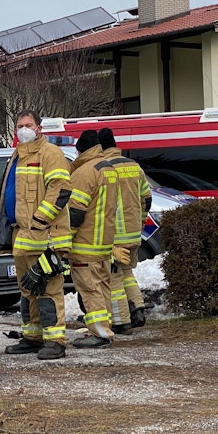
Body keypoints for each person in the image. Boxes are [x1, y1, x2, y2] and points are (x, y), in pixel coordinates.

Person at [0, 110, 73, 359]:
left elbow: (60, 190)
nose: (23, 129)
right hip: (21, 235)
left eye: (28, 125)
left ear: (39, 128)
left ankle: (55, 340)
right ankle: (33, 337)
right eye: (20, 125)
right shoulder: (17, 155)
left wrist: (40, 219)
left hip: (44, 235)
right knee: (27, 289)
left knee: (48, 289)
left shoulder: (50, 154)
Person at [67, 129, 119, 348]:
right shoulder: (108, 169)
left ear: (80, 150)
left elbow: (76, 212)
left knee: (90, 290)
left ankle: (100, 332)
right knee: (102, 288)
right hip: (104, 243)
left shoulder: (84, 173)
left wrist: (63, 239)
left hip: (85, 243)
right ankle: (104, 327)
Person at [98, 128, 152, 333]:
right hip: (133, 232)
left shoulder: (105, 168)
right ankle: (138, 309)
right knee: (127, 272)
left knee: (115, 277)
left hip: (114, 235)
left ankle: (122, 322)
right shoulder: (134, 166)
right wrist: (140, 221)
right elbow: (147, 198)